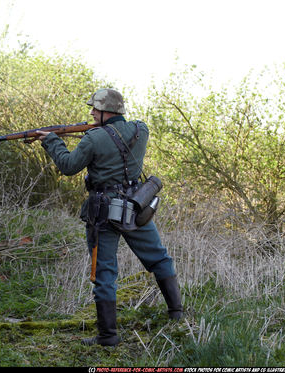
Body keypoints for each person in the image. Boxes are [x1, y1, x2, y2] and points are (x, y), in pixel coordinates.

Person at [35, 88, 182, 347]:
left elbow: (69, 166)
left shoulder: (94, 138)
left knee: (104, 273)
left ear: (106, 111)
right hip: (137, 206)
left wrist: (52, 141)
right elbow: (115, 136)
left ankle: (108, 337)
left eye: (95, 108)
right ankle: (177, 315)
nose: (91, 112)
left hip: (103, 211)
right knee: (159, 258)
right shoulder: (141, 130)